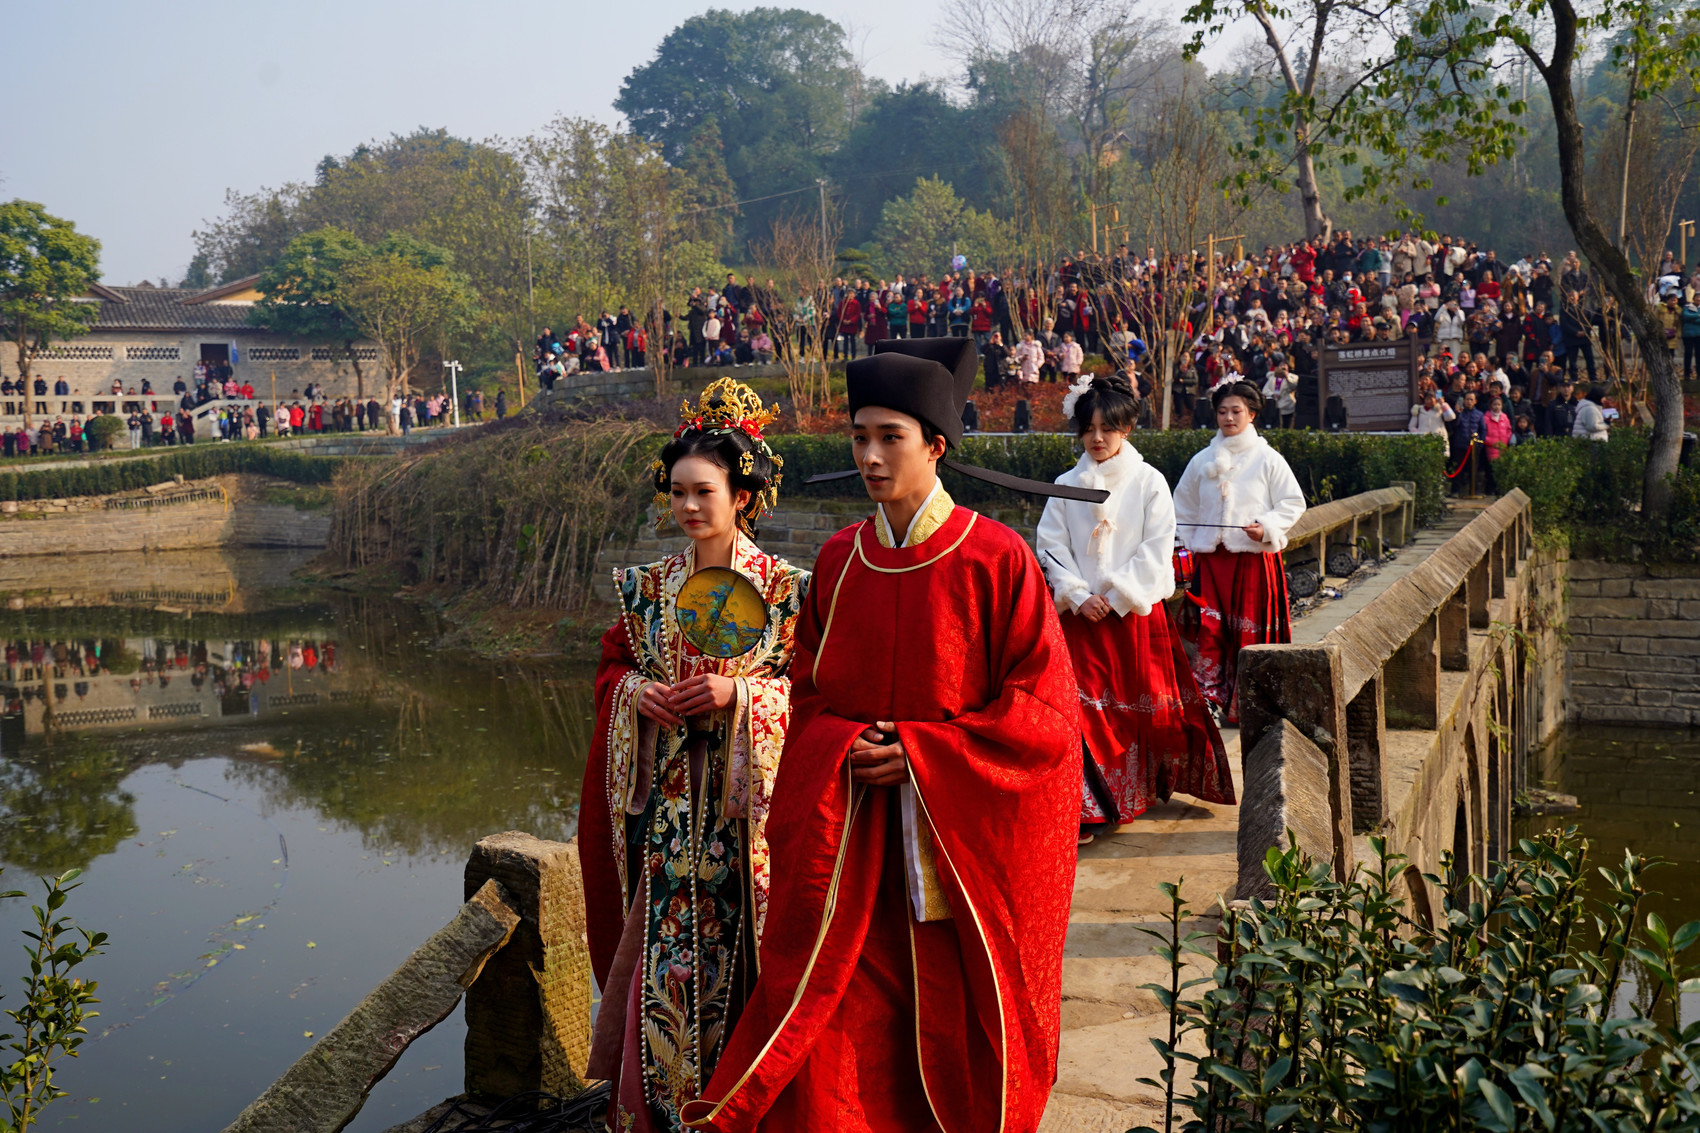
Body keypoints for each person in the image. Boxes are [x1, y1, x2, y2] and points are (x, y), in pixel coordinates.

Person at [682, 337, 1093, 1133]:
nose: (870, 457)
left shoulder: (996, 559)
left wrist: (924, 754)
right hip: (853, 850)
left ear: (935, 445)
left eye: (890, 438)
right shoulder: (841, 561)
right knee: (836, 1047)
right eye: (859, 437)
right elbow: (807, 697)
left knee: (953, 1045)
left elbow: (1045, 717)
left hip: (950, 856)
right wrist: (845, 748)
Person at [580, 380, 809, 1133]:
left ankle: (743, 1112)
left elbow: (813, 694)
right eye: (676, 491)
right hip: (671, 821)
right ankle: (664, 1113)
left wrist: (741, 697)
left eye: (703, 491)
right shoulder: (647, 591)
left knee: (751, 961)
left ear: (743, 496)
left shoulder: (789, 593)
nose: (687, 506)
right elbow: (611, 674)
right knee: (665, 961)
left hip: (751, 831)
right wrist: (636, 695)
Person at [1038, 374, 1234, 846]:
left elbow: (1157, 546)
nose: (1097, 438)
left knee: (1130, 711)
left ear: (1126, 429)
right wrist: (1077, 594)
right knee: (1082, 709)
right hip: (1080, 618)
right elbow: (1050, 546)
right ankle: (1090, 807)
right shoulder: (1066, 484)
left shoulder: (1148, 481)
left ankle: (1128, 793)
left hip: (1133, 618)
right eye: (1088, 429)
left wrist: (1119, 595)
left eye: (1107, 428)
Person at [1173, 381, 1306, 724]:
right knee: (1209, 629)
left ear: (1252, 414)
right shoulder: (1201, 460)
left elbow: (1293, 502)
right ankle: (1210, 700)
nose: (1229, 417)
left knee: (1249, 632)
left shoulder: (1267, 458)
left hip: (1253, 560)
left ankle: (1254, 703)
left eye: (1236, 411)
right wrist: (1185, 543)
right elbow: (1181, 507)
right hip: (1210, 561)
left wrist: (1266, 527)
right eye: (1222, 411)